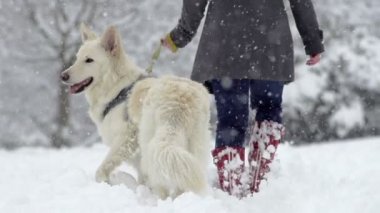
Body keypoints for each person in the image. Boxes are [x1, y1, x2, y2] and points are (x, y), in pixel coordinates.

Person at [161, 0, 324, 197]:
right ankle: (258, 185)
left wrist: (179, 36)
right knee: (269, 110)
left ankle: (232, 191)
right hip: (270, 42)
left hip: (224, 41)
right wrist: (313, 41)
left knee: (231, 120)